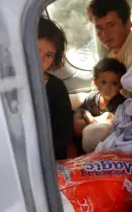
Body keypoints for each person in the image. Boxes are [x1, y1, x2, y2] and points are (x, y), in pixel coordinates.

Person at [73, 58, 127, 153]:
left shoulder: (120, 103)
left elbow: (114, 123)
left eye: (114, 83)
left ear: (120, 86)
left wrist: (94, 120)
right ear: (96, 82)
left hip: (106, 144)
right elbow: (80, 111)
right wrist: (87, 115)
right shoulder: (92, 99)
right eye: (103, 82)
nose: (108, 88)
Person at [38, 16, 73, 160]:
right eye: (35, 49)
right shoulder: (5, 84)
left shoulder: (56, 88)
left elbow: (63, 137)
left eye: (49, 55)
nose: (40, 60)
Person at [87, 0, 132, 68]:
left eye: (111, 25)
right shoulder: (115, 51)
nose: (105, 34)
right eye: (99, 28)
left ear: (128, 24)